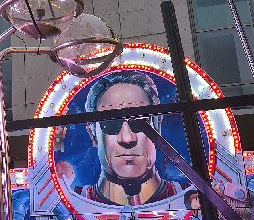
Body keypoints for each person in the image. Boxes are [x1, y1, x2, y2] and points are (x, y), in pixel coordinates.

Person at [75, 71, 181, 206]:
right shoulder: (70, 204)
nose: (127, 138)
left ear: (157, 124)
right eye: (111, 123)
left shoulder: (195, 199)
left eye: (140, 122)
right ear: (92, 132)